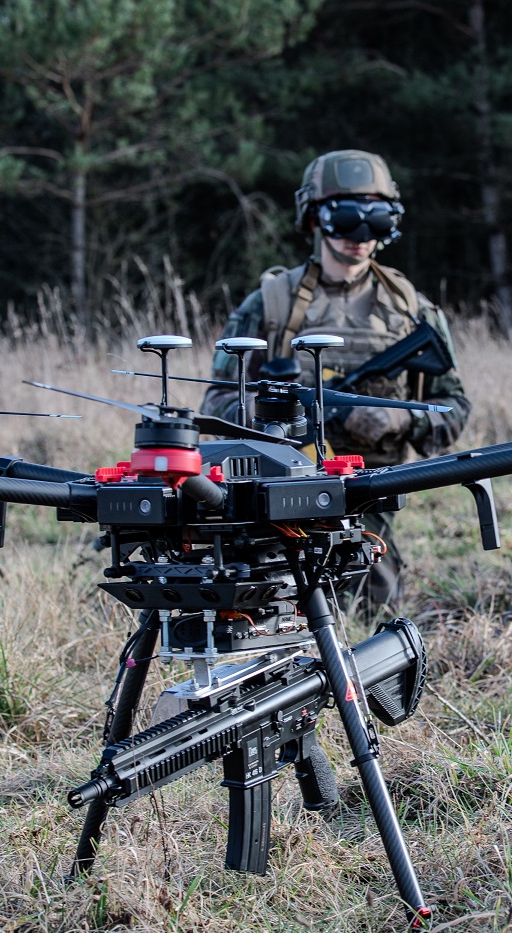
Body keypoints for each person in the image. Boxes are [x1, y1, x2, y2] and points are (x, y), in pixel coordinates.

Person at [202, 149, 470, 613]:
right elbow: (218, 403)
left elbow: (454, 407)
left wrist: (400, 423)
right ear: (314, 218)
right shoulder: (270, 304)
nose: (361, 235)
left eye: (378, 218)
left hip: (370, 502)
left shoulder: (412, 311)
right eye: (346, 217)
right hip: (278, 502)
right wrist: (282, 416)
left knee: (376, 620)